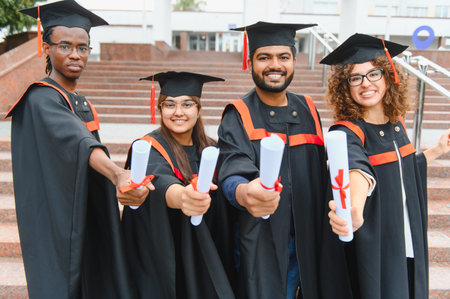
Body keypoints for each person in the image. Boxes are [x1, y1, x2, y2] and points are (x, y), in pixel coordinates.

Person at [5, 1, 151, 298]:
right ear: (45, 47)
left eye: (83, 47)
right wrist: (117, 174)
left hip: (83, 211)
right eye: (65, 46)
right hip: (54, 220)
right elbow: (79, 142)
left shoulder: (79, 101)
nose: (75, 54)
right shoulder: (40, 98)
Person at [217, 21, 352, 299]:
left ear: (293, 61)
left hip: (309, 235)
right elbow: (232, 171)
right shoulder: (238, 113)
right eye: (264, 57)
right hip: (263, 239)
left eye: (283, 57)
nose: (274, 65)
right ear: (250, 61)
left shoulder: (308, 108)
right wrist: (244, 193)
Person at [321, 33, 450, 299]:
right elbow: (358, 171)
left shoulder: (396, 124)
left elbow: (400, 170)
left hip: (407, 238)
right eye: (355, 78)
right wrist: (353, 210)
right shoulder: (347, 132)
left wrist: (437, 150)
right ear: (345, 87)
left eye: (373, 74)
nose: (365, 84)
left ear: (389, 76)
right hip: (379, 246)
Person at [122, 71, 236, 299]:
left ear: (199, 109)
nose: (178, 112)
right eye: (170, 105)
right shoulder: (147, 147)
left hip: (206, 248)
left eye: (187, 104)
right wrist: (184, 197)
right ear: (160, 109)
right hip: (165, 252)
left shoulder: (213, 150)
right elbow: (159, 180)